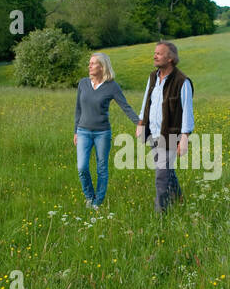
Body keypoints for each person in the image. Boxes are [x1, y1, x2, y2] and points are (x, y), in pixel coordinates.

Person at [74, 52, 140, 208]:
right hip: (83, 131)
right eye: (89, 63)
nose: (89, 65)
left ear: (102, 66)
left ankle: (98, 201)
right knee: (82, 167)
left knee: (102, 168)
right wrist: (75, 131)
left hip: (102, 133)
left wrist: (139, 123)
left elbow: (125, 106)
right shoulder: (83, 83)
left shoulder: (112, 86)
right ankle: (90, 197)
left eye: (93, 63)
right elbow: (78, 109)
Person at [135, 42, 194, 213]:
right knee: (167, 171)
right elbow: (147, 101)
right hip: (153, 132)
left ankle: (161, 216)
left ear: (170, 58)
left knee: (161, 177)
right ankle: (179, 198)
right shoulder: (153, 76)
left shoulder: (182, 82)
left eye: (159, 53)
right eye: (155, 53)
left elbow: (187, 113)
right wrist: (141, 124)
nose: (155, 56)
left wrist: (184, 138)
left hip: (171, 134)